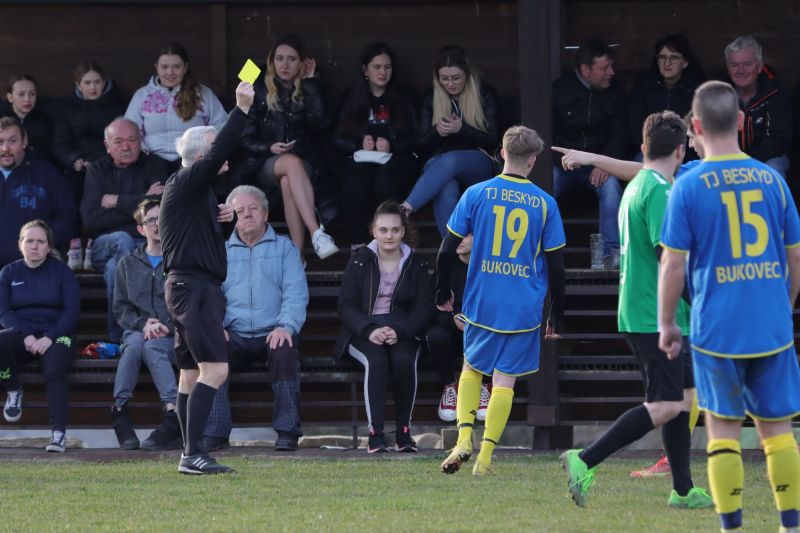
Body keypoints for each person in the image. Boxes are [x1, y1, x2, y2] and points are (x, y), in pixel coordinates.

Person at [659, 80, 800, 532]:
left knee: (722, 431)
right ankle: (790, 525)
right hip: (772, 326)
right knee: (778, 434)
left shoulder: (687, 186)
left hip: (717, 328)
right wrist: (785, 303)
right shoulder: (773, 180)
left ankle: (732, 526)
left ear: (694, 128)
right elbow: (795, 257)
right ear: (741, 123)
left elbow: (672, 266)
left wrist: (666, 324)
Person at [560, 111, 712, 510]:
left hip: (655, 312)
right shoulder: (659, 191)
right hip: (653, 315)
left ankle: (682, 490)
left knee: (685, 397)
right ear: (681, 151)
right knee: (664, 405)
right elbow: (669, 258)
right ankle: (584, 458)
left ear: (644, 148)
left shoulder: (642, 183)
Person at [439, 125, 565, 476]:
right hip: (524, 307)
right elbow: (556, 264)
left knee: (472, 369)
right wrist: (557, 310)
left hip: (483, 301)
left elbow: (447, 247)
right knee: (505, 381)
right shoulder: (545, 203)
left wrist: (441, 288)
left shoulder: (477, 193)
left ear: (501, 152)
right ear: (534, 160)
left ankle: (464, 438)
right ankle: (485, 458)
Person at [160, 80, 254, 475]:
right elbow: (218, 151)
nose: (221, 157)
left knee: (190, 374)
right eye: (212, 150)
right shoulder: (188, 179)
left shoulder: (193, 192)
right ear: (200, 156)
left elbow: (201, 241)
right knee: (216, 370)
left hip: (188, 287)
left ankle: (189, 452)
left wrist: (225, 221)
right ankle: (191, 455)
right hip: (195, 289)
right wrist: (241, 109)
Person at [201, 185, 309, 453]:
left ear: (265, 213)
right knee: (212, 351)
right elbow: (212, 295)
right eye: (239, 210)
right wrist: (218, 327)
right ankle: (215, 433)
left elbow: (295, 292)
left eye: (253, 209)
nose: (246, 214)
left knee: (284, 352)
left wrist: (286, 326)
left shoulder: (285, 248)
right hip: (234, 333)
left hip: (273, 330)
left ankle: (287, 432)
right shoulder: (221, 251)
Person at [336, 201, 433, 453]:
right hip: (365, 329)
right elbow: (346, 307)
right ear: (373, 231)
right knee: (376, 360)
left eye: (395, 230)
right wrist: (369, 330)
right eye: (383, 230)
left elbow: (424, 308)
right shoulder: (359, 261)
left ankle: (403, 433)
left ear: (403, 231)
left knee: (404, 359)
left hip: (402, 329)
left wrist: (401, 331)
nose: (389, 235)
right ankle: (375, 434)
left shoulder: (416, 264)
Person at [231, 35, 337, 261]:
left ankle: (297, 256)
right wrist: (269, 147)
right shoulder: (257, 84)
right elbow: (244, 136)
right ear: (271, 61)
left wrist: (310, 85)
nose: (285, 65)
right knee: (289, 164)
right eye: (279, 59)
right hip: (264, 161)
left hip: (305, 162)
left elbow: (322, 126)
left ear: (302, 63)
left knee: (289, 179)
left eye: (291, 59)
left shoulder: (313, 84)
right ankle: (316, 233)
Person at [80, 117, 168, 343]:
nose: (126, 147)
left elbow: (160, 205)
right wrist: (142, 201)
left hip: (147, 245)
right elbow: (91, 219)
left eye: (131, 140)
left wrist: (115, 201)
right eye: (118, 142)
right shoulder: (97, 171)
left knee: (114, 270)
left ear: (141, 141)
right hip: (104, 246)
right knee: (121, 238)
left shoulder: (155, 165)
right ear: (107, 146)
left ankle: (120, 336)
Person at [400, 46, 499, 236]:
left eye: (456, 77)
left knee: (452, 159)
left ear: (467, 73)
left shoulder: (484, 93)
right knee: (445, 189)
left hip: (478, 163)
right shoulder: (431, 96)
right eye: (444, 78)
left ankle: (406, 208)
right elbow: (420, 146)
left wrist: (462, 130)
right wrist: (437, 132)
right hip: (438, 167)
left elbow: (492, 140)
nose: (450, 83)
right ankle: (454, 250)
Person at [0, 220, 79, 453]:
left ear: (48, 246)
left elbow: (71, 312)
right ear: (20, 244)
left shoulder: (62, 272)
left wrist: (49, 336)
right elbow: (4, 312)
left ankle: (58, 434)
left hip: (58, 336)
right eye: (29, 241)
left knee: (54, 371)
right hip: (22, 335)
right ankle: (13, 390)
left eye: (40, 241)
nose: (34, 246)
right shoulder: (8, 272)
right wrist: (25, 335)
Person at [332, 42, 419, 251]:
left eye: (387, 67)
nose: (383, 72)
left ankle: (388, 242)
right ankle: (359, 244)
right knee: (354, 182)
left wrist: (392, 144)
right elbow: (336, 139)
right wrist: (357, 143)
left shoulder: (403, 97)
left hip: (395, 159)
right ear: (365, 70)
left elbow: (417, 139)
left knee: (385, 182)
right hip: (360, 159)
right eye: (377, 67)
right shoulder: (352, 97)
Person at [110, 199, 181, 451]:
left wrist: (166, 326)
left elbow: (187, 302)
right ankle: (120, 411)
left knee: (151, 348)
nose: (157, 224)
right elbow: (120, 307)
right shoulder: (127, 263)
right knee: (135, 346)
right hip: (137, 330)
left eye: (161, 218)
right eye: (150, 220)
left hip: (172, 334)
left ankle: (173, 412)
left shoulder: (179, 260)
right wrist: (143, 324)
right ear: (141, 229)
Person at [552, 39, 626, 266]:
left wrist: (603, 163)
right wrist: (563, 160)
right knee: (544, 187)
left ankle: (610, 257)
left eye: (611, 66)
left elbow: (621, 133)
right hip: (562, 165)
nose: (611, 73)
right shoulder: (559, 90)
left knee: (611, 188)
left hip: (599, 165)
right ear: (586, 69)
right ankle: (538, 251)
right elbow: (545, 134)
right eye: (604, 68)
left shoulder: (616, 91)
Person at [125, 42, 227, 173]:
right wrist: (144, 153)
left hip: (193, 161)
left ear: (185, 67)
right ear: (156, 67)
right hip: (151, 160)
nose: (170, 72)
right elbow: (130, 129)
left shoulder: (203, 94)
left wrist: (207, 151)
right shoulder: (142, 96)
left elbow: (221, 125)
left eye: (176, 67)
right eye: (164, 67)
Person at [427, 234, 491, 423]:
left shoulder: (490, 266)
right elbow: (431, 307)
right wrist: (451, 319)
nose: (460, 239)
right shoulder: (445, 266)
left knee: (490, 333)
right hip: (453, 332)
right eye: (457, 234)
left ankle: (485, 386)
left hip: (481, 331)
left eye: (467, 234)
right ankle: (449, 386)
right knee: (436, 335)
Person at [0, 116, 77, 268]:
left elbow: (68, 215)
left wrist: (46, 242)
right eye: (0, 142)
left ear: (24, 141)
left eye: (12, 141)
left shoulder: (46, 173)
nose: (5, 148)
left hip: (36, 267)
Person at [53, 61, 125, 212]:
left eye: (97, 82)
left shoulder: (117, 107)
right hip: (78, 167)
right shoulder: (68, 110)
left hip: (108, 165)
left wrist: (97, 162)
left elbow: (120, 140)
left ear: (104, 82)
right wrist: (73, 160)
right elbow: (60, 143)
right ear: (78, 85)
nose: (93, 87)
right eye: (87, 83)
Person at [722, 35, 792, 178]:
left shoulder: (776, 91)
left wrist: (747, 160)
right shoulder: (717, 92)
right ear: (728, 69)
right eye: (734, 65)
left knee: (773, 169)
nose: (740, 70)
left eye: (747, 64)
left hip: (767, 157)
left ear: (760, 67)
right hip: (728, 157)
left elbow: (779, 139)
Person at [628, 34, 704, 156]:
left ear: (685, 62)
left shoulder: (697, 87)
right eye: (662, 57)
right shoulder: (644, 84)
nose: (667, 63)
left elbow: (698, 127)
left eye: (674, 58)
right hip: (649, 151)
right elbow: (634, 124)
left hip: (685, 152)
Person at [2, 75, 54, 164]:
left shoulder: (45, 121)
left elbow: (49, 154)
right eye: (21, 94)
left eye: (32, 94)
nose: (27, 99)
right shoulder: (2, 119)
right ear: (10, 97)